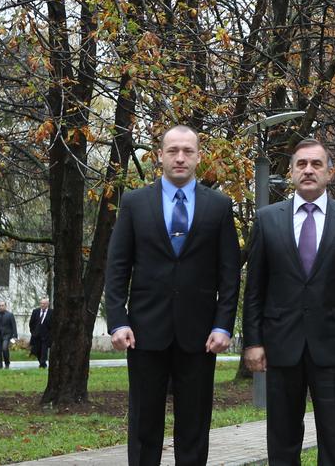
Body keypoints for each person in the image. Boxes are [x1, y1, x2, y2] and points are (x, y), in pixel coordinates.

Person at [104, 124, 242, 466]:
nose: (180, 158)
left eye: (188, 151)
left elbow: (229, 273)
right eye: (173, 151)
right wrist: (117, 321)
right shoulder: (135, 203)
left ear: (198, 157)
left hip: (200, 336)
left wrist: (223, 326)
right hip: (144, 332)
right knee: (143, 424)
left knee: (194, 425)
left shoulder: (220, 206)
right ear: (160, 157)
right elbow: (117, 267)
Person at [243, 138, 335, 465]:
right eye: (301, 164)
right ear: (291, 172)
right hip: (281, 344)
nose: (308, 170)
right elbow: (255, 288)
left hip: (333, 346)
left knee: (334, 436)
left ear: (330, 172)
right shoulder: (267, 219)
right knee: (282, 438)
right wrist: (253, 341)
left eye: (316, 164)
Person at [0, 301, 17, 369]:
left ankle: (7, 363)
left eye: (2, 305)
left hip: (7, 335)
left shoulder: (10, 315)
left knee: (4, 348)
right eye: (0, 306)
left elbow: (14, 326)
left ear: (5, 306)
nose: (1, 307)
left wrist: (15, 336)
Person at [29, 297, 51, 368]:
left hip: (46, 336)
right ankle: (41, 362)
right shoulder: (35, 311)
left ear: (48, 304)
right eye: (41, 303)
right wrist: (33, 332)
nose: (42, 305)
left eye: (44, 304)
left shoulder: (51, 312)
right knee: (37, 351)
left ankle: (42, 364)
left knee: (44, 351)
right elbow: (31, 323)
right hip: (36, 336)